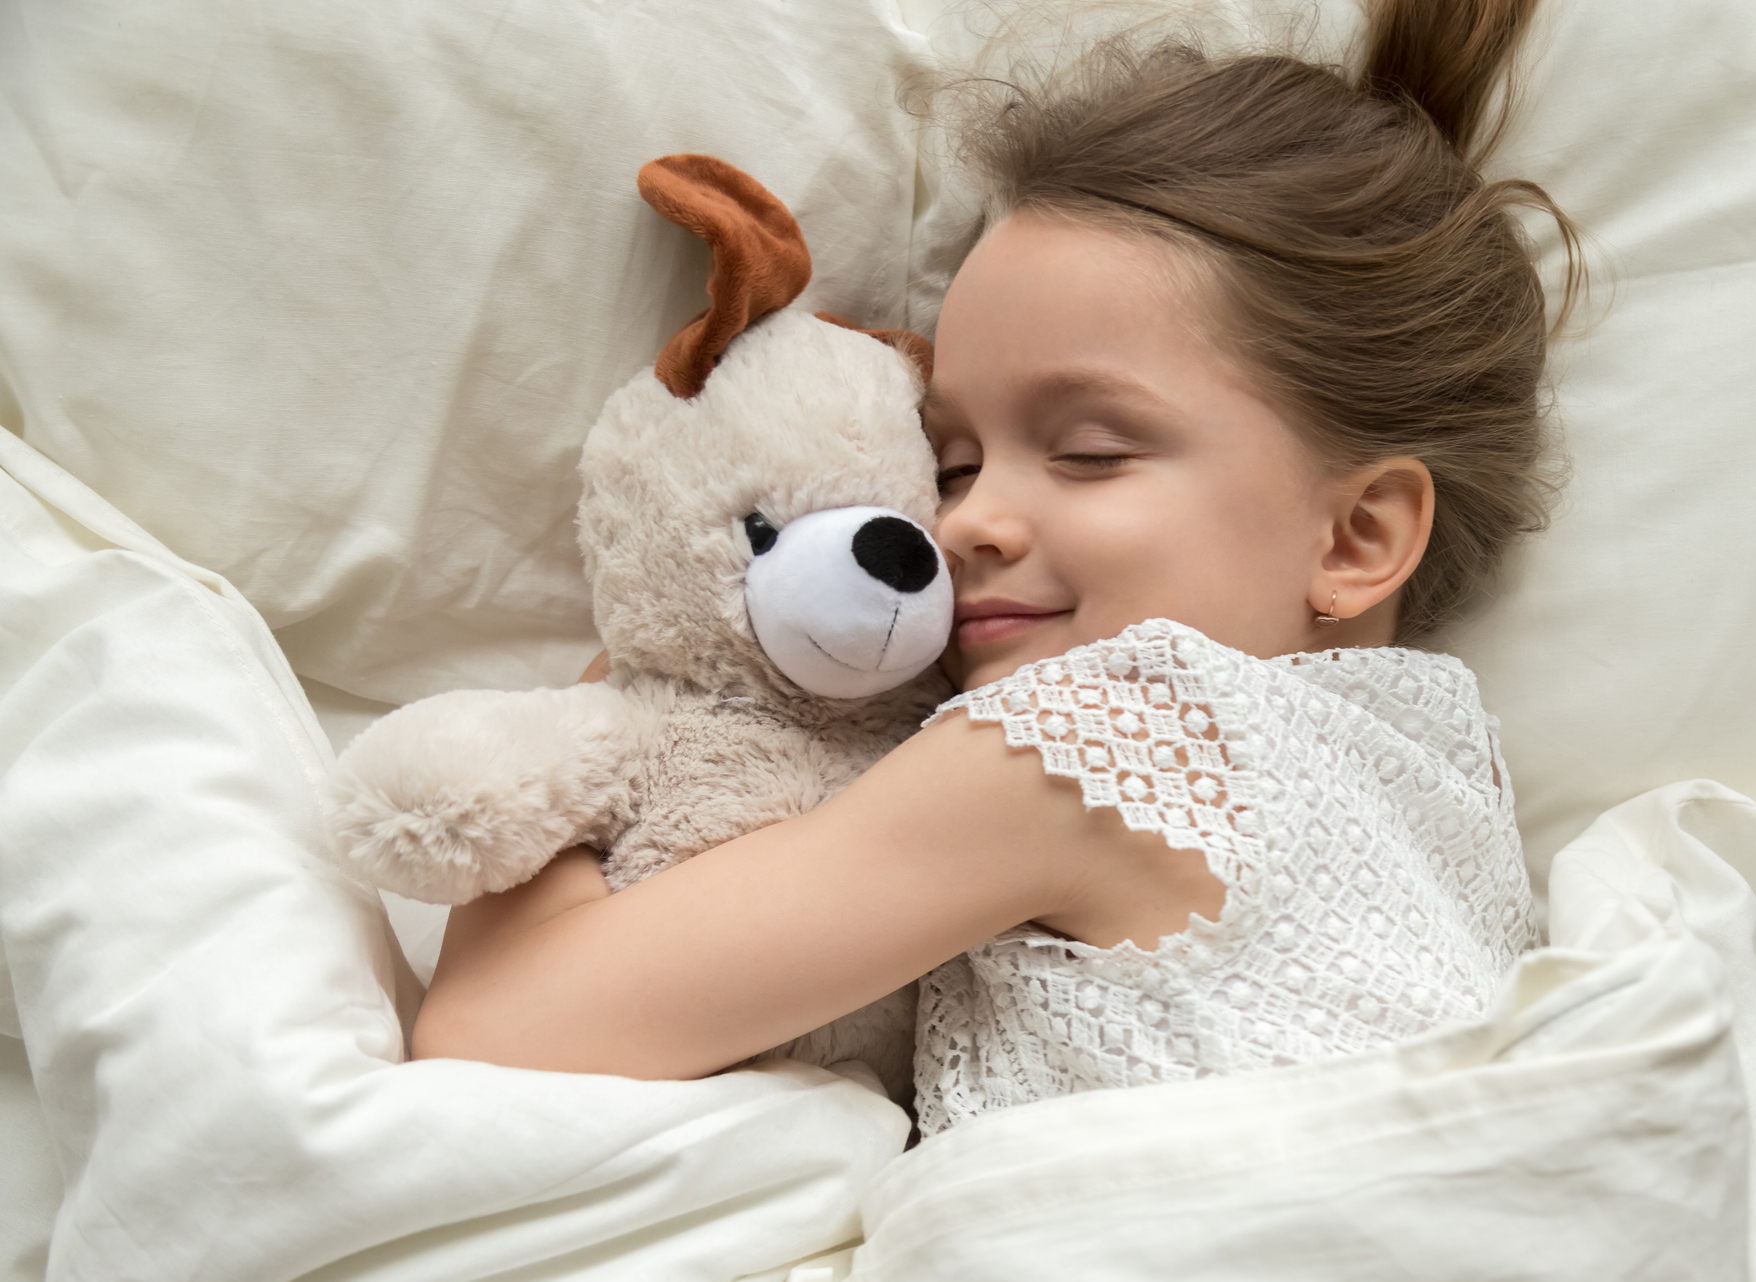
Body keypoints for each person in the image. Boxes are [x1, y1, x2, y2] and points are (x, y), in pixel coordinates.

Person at [412, 0, 1581, 1139]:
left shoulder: (1097, 741)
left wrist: (623, 684)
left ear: (1359, 538)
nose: (964, 525)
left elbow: (500, 1026)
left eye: (1088, 452)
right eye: (955, 462)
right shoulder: (1448, 765)